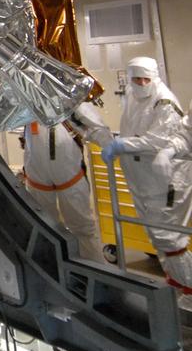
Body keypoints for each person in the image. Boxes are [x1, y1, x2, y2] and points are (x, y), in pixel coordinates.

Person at [102, 57, 192, 292]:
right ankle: (178, 286)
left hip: (165, 181)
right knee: (158, 237)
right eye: (136, 79)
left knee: (169, 238)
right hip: (143, 178)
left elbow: (159, 139)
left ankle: (188, 287)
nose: (141, 84)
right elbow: (185, 136)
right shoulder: (133, 97)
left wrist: (122, 146)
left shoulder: (163, 102)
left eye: (145, 79)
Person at [22, 119, 105, 262]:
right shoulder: (27, 107)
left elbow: (92, 122)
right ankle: (52, 270)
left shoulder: (67, 101)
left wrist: (111, 143)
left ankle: (96, 272)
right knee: (44, 228)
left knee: (82, 228)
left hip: (70, 176)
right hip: (38, 177)